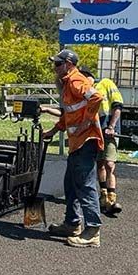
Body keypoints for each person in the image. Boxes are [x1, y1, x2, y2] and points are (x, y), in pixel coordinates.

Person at [41, 49, 105, 248]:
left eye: (58, 64)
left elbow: (97, 97)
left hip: (86, 142)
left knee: (85, 186)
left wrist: (87, 122)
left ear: (69, 64)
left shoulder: (76, 81)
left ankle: (92, 230)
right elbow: (69, 115)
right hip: (77, 143)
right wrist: (53, 131)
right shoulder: (68, 85)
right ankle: (72, 224)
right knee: (71, 184)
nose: (55, 68)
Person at [80, 66, 124, 216]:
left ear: (88, 76)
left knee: (109, 163)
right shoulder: (85, 91)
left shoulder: (106, 83)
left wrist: (111, 126)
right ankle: (103, 196)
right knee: (100, 164)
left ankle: (112, 198)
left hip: (110, 132)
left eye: (83, 77)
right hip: (96, 133)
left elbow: (117, 107)